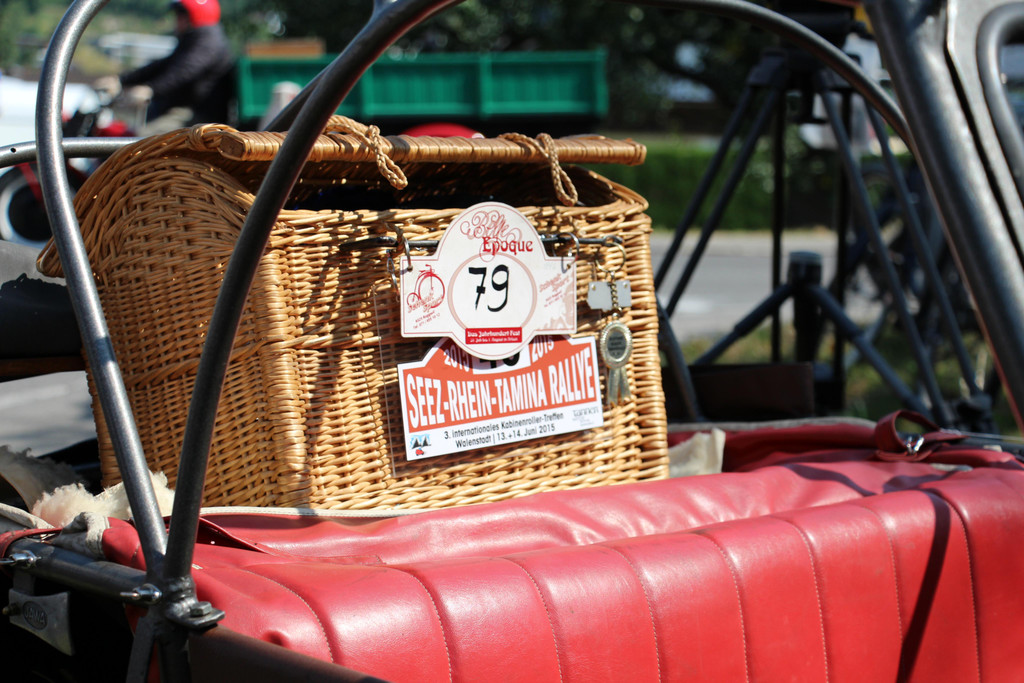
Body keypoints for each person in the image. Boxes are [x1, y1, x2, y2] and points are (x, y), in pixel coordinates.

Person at [94, 0, 235, 135]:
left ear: (193, 16)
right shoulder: (194, 39)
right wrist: (121, 80)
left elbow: (184, 71)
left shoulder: (207, 41)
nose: (176, 21)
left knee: (142, 141)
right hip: (180, 110)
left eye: (180, 15)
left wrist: (151, 89)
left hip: (196, 115)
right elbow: (163, 65)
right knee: (126, 132)